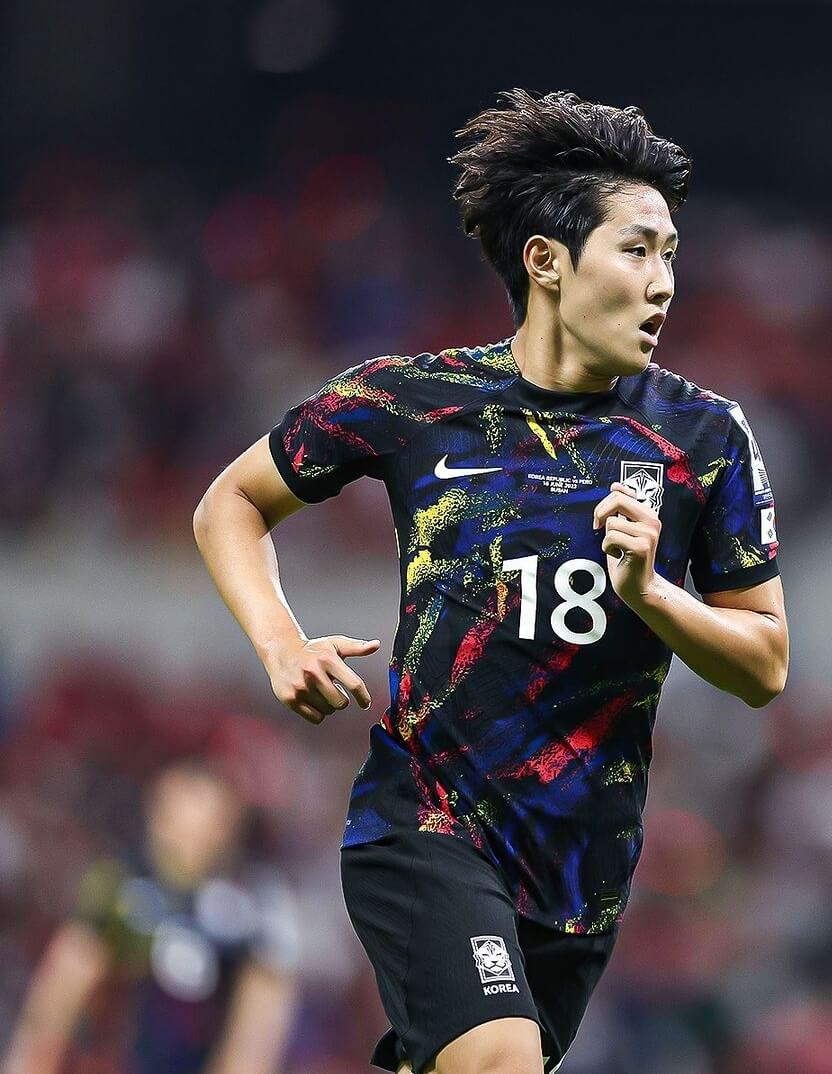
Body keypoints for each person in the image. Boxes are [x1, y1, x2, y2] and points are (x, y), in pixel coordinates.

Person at [192, 87, 789, 1074]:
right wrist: (278, 641)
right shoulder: (414, 401)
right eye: (636, 250)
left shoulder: (703, 436)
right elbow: (232, 503)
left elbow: (763, 665)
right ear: (547, 262)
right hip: (426, 825)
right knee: (497, 1061)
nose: (662, 284)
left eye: (670, 255)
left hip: (580, 873)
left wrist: (652, 594)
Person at [2, 760, 299, 1074]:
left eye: (201, 828)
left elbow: (256, 1035)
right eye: (176, 823)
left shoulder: (253, 907)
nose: (185, 842)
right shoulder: (118, 888)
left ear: (224, 829)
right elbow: (56, 1002)